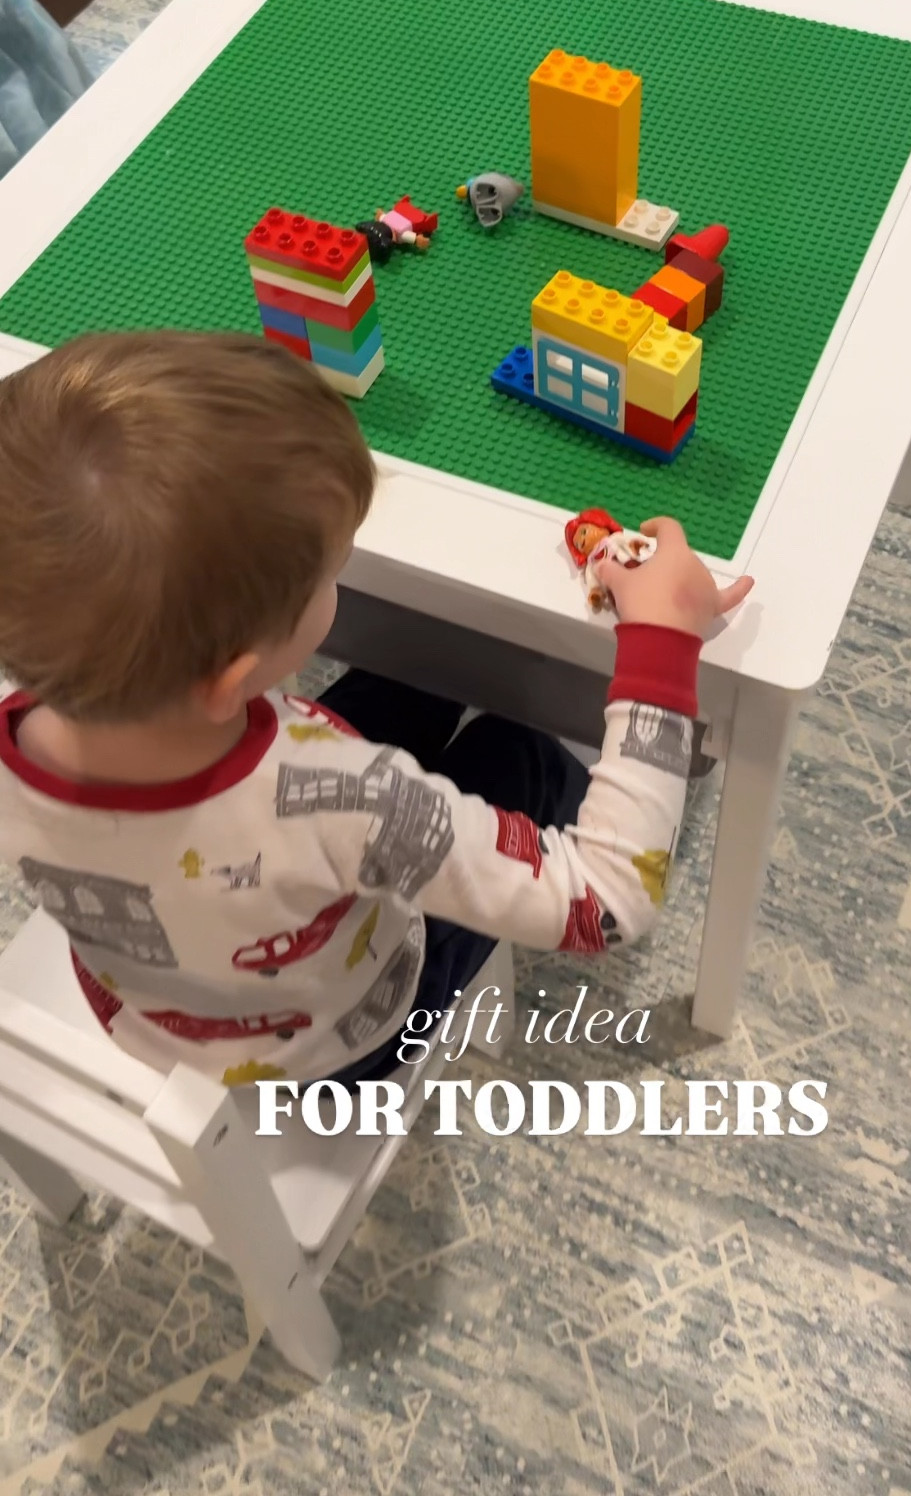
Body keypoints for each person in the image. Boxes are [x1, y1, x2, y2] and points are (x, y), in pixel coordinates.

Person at [0, 331, 753, 1089]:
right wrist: (662, 642)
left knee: (417, 677)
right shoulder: (359, 805)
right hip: (353, 1034)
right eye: (331, 573)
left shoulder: (49, 691)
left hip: (151, 1007)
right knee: (517, 745)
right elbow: (607, 899)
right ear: (229, 679)